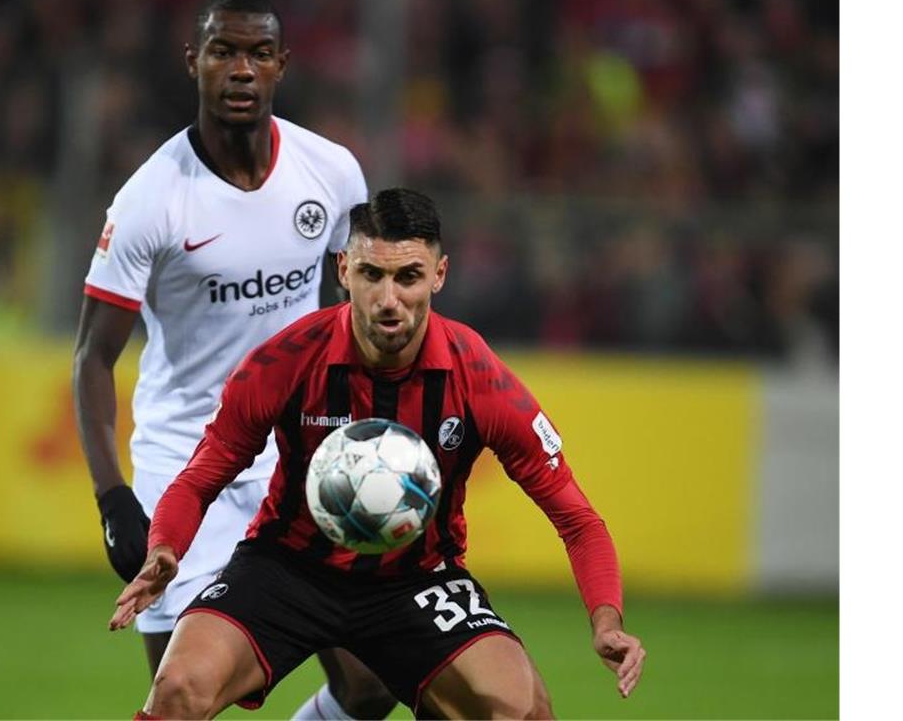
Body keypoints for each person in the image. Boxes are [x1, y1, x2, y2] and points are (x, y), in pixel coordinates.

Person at [110, 188, 648, 719]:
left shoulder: (480, 380)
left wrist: (606, 622)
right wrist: (165, 547)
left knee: (523, 711)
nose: (389, 300)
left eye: (408, 277)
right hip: (289, 568)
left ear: (438, 275)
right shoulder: (284, 362)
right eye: (372, 275)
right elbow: (201, 476)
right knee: (178, 688)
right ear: (343, 270)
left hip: (416, 580)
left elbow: (577, 520)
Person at [73, 0, 396, 720]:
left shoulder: (332, 173)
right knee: (184, 699)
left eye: (257, 53)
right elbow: (93, 358)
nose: (240, 69)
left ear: (282, 64)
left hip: (298, 457)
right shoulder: (150, 201)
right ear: (195, 62)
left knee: (371, 686)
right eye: (223, 52)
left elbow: (366, 311)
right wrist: (113, 495)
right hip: (188, 467)